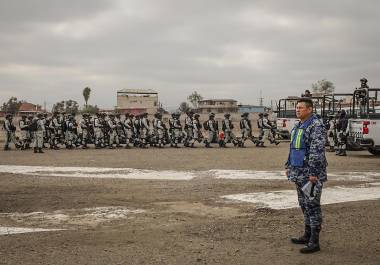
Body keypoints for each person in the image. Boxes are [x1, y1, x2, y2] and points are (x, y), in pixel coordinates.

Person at [286, 98, 327, 254]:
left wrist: (314, 173)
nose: (297, 110)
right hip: (298, 172)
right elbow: (293, 147)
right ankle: (307, 235)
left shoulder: (316, 126)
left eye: (301, 108)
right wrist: (288, 165)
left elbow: (317, 151)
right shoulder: (298, 125)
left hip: (310, 174)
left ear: (309, 109)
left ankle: (314, 242)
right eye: (296, 107)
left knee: (312, 206)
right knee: (303, 205)